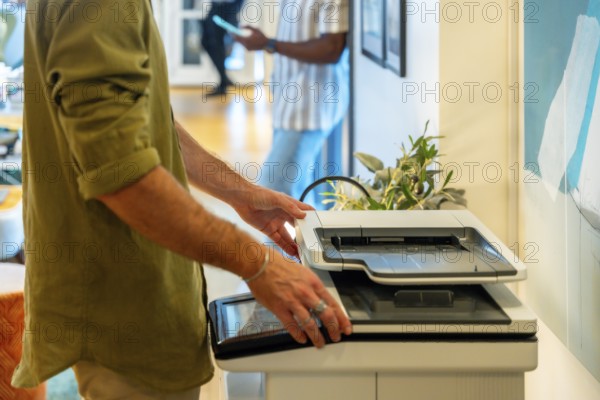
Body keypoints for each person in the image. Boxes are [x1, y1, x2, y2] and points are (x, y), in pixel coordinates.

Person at [12, 1, 352, 398]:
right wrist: (258, 264)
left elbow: (150, 122)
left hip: (131, 290)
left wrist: (243, 194)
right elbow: (121, 174)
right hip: (123, 305)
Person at [235, 0, 350, 207]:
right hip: (288, 107)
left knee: (272, 198)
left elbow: (332, 48)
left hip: (309, 110)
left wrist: (269, 44)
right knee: (302, 197)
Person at [201, 0, 245, 96]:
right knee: (207, 42)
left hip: (227, 6)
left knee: (216, 43)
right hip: (217, 5)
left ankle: (223, 84)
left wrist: (236, 6)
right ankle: (224, 78)